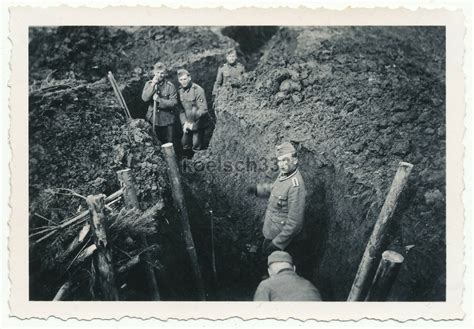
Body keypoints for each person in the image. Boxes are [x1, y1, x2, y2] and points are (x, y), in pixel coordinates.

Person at [247, 142, 307, 260]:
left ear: (295, 160)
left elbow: (295, 223)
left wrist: (277, 244)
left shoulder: (296, 186)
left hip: (282, 240)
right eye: (279, 161)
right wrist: (258, 190)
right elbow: (275, 189)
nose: (282, 164)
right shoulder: (285, 174)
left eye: (285, 160)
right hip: (271, 231)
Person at [253, 251, 322, 301]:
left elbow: (258, 314)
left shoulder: (265, 285)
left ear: (269, 272)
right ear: (294, 268)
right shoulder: (310, 285)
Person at [141, 62, 178, 144]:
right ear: (154, 72)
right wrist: (153, 84)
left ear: (165, 74)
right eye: (157, 72)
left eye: (162, 73)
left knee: (169, 142)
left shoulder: (170, 86)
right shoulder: (149, 84)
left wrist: (159, 100)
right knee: (155, 142)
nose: (159, 75)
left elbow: (174, 103)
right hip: (153, 118)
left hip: (167, 120)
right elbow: (144, 98)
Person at [177, 69, 208, 152]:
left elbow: (203, 109)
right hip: (187, 122)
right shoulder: (180, 91)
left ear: (189, 78)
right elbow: (181, 110)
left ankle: (197, 160)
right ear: (178, 80)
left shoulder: (198, 90)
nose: (183, 82)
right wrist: (184, 123)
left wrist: (192, 122)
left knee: (196, 144)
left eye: (185, 79)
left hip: (198, 122)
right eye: (181, 80)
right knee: (184, 144)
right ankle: (187, 161)